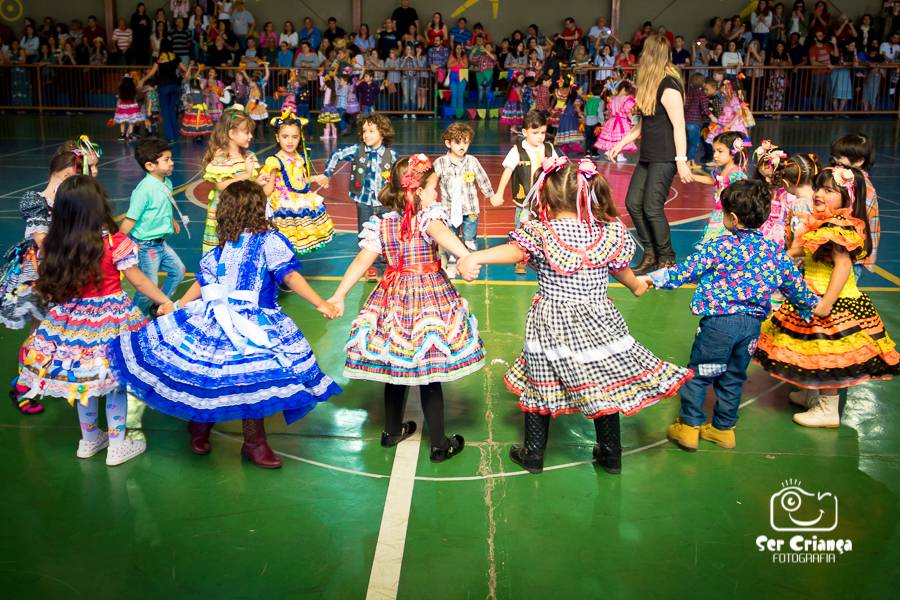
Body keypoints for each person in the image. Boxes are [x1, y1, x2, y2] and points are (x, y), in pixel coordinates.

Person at [459, 159, 691, 474]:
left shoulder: (541, 231)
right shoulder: (608, 232)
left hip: (551, 321)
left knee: (540, 379)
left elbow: (515, 252)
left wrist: (475, 256)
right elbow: (624, 273)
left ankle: (533, 453)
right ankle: (611, 454)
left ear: (548, 197)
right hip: (599, 319)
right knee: (603, 380)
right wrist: (638, 286)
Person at [110, 181, 340, 468]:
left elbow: (288, 275)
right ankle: (200, 424)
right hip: (217, 317)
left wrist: (319, 302)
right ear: (257, 208)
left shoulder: (269, 240)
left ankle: (254, 441)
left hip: (256, 320)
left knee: (253, 375)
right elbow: (205, 282)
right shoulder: (223, 247)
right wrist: (179, 306)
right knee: (208, 371)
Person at [327, 154, 482, 462]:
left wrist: (339, 295)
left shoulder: (382, 225)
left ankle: (392, 430)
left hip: (393, 296)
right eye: (434, 189)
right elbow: (443, 235)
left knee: (394, 367)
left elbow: (361, 261)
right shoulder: (428, 217)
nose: (436, 195)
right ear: (419, 191)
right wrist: (466, 256)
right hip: (428, 297)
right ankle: (439, 442)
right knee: (429, 371)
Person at [645, 180, 819, 451]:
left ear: (733, 218)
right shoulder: (774, 253)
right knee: (733, 377)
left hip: (718, 326)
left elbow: (685, 271)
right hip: (750, 329)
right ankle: (723, 429)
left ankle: (689, 427)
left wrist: (653, 279)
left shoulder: (718, 246)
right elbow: (796, 287)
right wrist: (812, 306)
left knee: (701, 373)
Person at [17, 176, 172, 465]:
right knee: (114, 381)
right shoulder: (114, 242)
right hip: (112, 317)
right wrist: (165, 301)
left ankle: (88, 440)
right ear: (98, 205)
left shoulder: (54, 243)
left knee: (83, 381)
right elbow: (138, 281)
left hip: (71, 319)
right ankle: (116, 444)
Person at [754, 166, 899, 427]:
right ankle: (812, 394)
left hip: (830, 301)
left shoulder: (837, 227)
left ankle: (827, 409)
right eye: (819, 187)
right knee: (811, 349)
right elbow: (798, 250)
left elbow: (843, 267)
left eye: (830, 190)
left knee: (827, 354)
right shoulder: (822, 222)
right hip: (813, 295)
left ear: (848, 198)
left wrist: (826, 303)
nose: (820, 193)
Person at [608, 34, 693, 274]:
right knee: (633, 203)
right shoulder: (651, 84)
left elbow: (679, 125)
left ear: (650, 55)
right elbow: (645, 124)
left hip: (666, 156)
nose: (642, 57)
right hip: (648, 155)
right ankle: (650, 253)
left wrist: (681, 161)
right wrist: (621, 143)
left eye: (645, 52)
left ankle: (667, 257)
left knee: (652, 207)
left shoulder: (669, 85)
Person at [320, 114, 398, 282]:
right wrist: (328, 173)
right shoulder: (357, 151)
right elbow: (336, 155)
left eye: (371, 131)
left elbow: (399, 177)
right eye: (364, 131)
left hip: (384, 203)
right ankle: (370, 267)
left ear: (382, 133)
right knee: (366, 236)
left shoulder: (391, 155)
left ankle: (384, 266)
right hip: (364, 202)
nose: (366, 135)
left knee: (385, 235)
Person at [119, 137, 186, 317]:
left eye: (170, 158)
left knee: (178, 271)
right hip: (146, 245)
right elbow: (131, 219)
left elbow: (165, 204)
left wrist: (171, 220)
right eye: (166, 160)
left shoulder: (166, 182)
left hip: (160, 243)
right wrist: (117, 241)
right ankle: (135, 318)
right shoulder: (144, 190)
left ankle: (159, 305)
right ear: (150, 166)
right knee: (148, 285)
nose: (172, 163)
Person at [490, 110, 558, 274]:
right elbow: (507, 171)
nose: (540, 136)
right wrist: (499, 194)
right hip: (525, 201)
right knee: (522, 228)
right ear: (525, 132)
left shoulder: (549, 148)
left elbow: (558, 170)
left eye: (543, 132)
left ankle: (545, 257)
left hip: (544, 200)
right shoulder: (517, 151)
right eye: (535, 133)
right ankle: (520, 259)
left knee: (546, 228)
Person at [261, 111, 334, 255]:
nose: (290, 141)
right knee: (281, 243)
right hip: (282, 206)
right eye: (285, 136)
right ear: (277, 137)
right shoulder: (274, 161)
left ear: (300, 137)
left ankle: (286, 271)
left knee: (293, 243)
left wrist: (316, 178)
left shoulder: (300, 157)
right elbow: (267, 189)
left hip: (299, 203)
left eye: (294, 137)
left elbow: (300, 180)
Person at [433, 122, 493, 278]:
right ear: (448, 143)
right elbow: (431, 182)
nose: (462, 146)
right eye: (458, 142)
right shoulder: (440, 163)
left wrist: (491, 195)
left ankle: (469, 263)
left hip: (470, 210)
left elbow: (482, 179)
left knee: (469, 239)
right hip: (448, 211)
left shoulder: (472, 161)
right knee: (450, 239)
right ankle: (452, 264)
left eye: (465, 142)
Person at [201, 108, 263, 254]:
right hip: (227, 212)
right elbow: (222, 185)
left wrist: (258, 181)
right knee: (225, 248)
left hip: (244, 210)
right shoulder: (222, 157)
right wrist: (247, 174)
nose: (251, 136)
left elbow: (248, 185)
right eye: (247, 132)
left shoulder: (248, 156)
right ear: (231, 134)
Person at [830, 133, 880, 274]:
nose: (835, 160)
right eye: (834, 155)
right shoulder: (842, 179)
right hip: (839, 251)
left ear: (859, 161)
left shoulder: (863, 187)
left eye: (840, 157)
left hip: (852, 255)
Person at [693, 131, 749, 244]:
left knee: (724, 246)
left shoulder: (735, 173)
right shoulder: (722, 170)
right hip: (719, 214)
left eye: (720, 151)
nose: (715, 155)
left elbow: (741, 197)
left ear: (733, 152)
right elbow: (713, 181)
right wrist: (691, 176)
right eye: (714, 151)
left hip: (728, 218)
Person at [595, 80, 637, 162]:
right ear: (624, 89)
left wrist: (608, 121)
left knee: (612, 137)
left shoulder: (613, 99)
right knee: (621, 138)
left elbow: (610, 111)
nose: (627, 93)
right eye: (628, 91)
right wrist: (633, 119)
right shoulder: (626, 99)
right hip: (622, 121)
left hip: (612, 120)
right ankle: (619, 155)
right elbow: (627, 111)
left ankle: (609, 151)